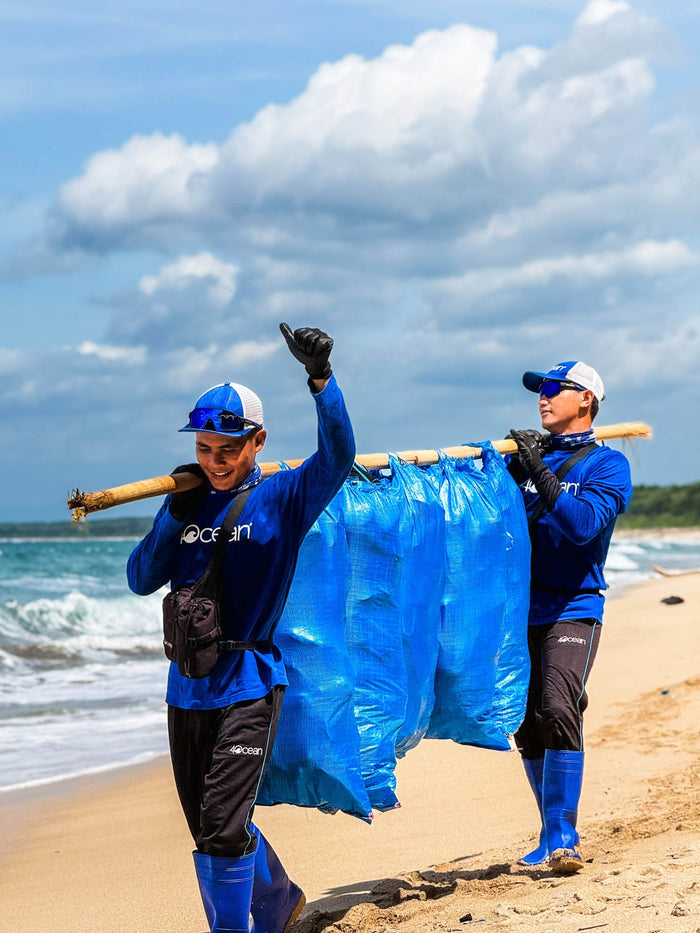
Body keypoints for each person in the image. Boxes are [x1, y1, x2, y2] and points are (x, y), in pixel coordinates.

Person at [127, 323, 356, 933]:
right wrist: (173, 515)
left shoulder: (285, 496)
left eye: (229, 447)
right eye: (206, 448)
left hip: (250, 682)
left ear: (257, 440)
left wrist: (321, 381)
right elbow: (141, 578)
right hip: (187, 687)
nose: (216, 460)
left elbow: (338, 458)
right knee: (210, 826)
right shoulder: (186, 501)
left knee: (225, 827)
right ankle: (278, 900)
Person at [507, 361, 632, 873]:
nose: (544, 396)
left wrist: (538, 470)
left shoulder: (608, 466)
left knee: (559, 708)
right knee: (526, 723)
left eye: (557, 389)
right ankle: (549, 832)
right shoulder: (520, 460)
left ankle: (564, 834)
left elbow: (581, 527)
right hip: (518, 609)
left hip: (574, 605)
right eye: (541, 390)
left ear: (586, 400)